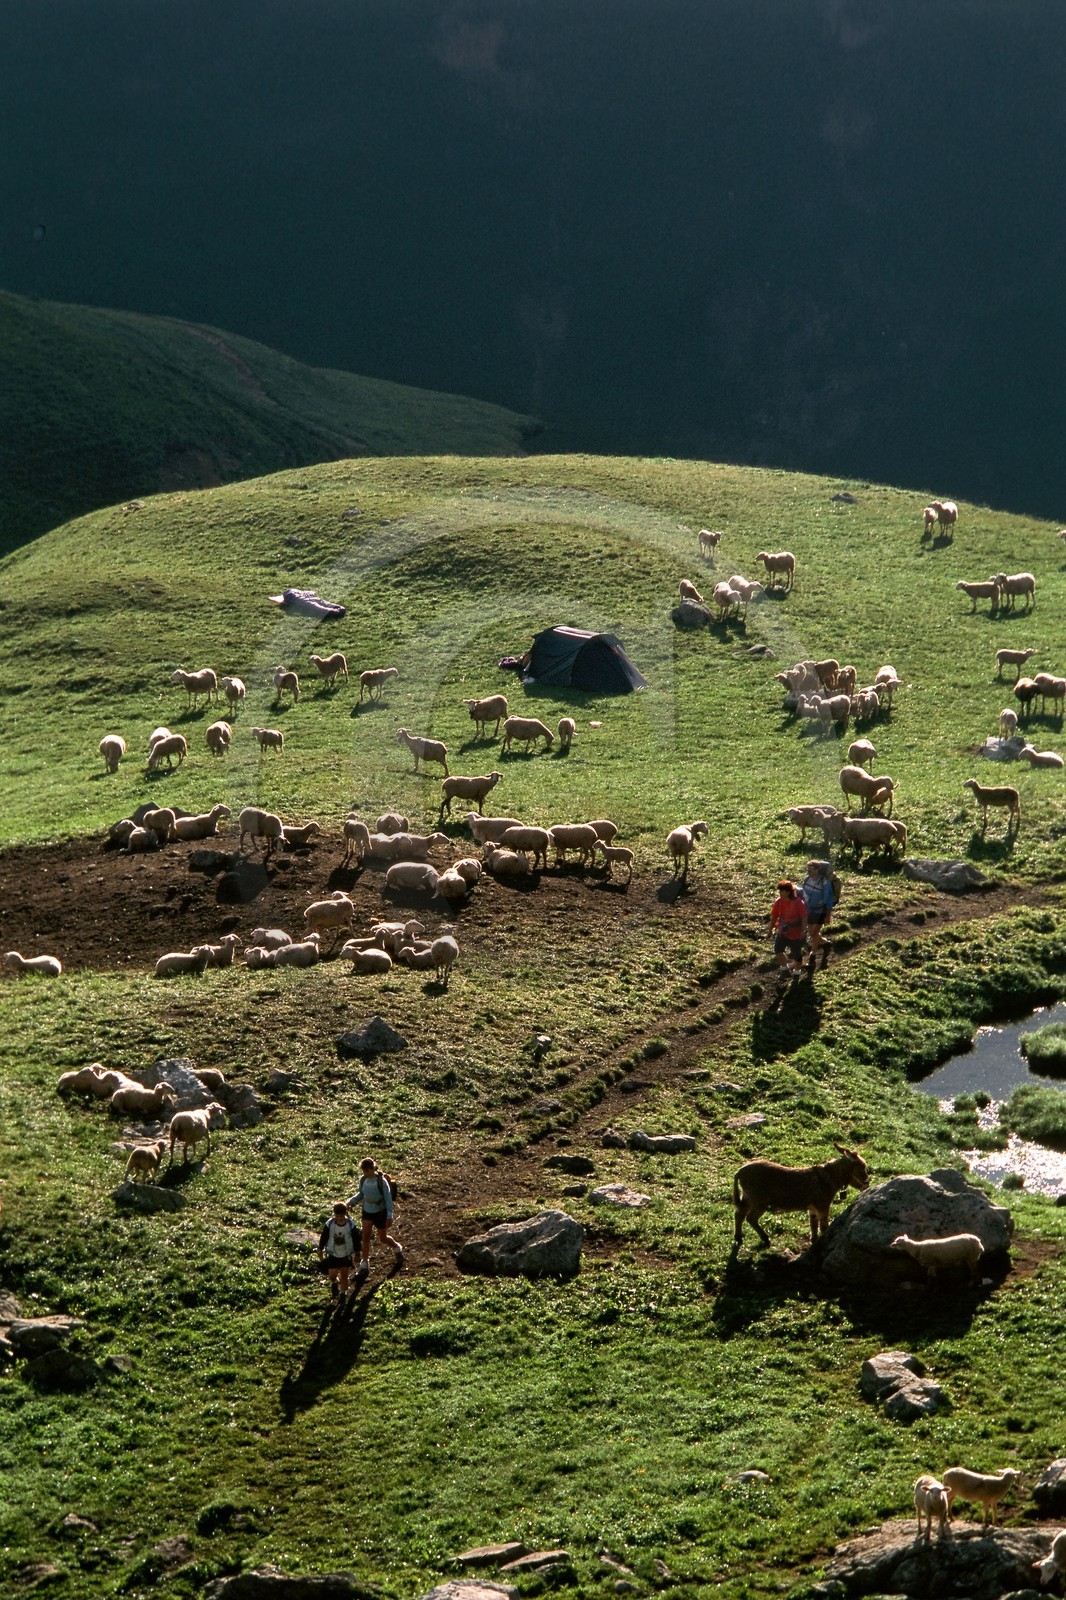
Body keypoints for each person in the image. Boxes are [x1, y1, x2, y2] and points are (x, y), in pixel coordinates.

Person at [347, 1157, 404, 1284]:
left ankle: (397, 1248)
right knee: (365, 1237)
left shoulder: (381, 1181)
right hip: (367, 1211)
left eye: (369, 1170)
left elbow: (388, 1199)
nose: (367, 1173)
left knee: (382, 1238)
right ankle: (364, 1264)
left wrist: (389, 1216)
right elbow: (361, 1194)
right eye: (364, 1171)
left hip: (380, 1212)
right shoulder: (363, 1180)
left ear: (374, 1168)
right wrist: (351, 1202)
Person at [318, 1201, 358, 1301]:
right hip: (333, 1253)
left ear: (345, 1214)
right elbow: (324, 1237)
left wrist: (357, 1252)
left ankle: (343, 1293)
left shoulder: (350, 1224)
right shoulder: (330, 1224)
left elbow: (356, 1239)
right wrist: (320, 1248)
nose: (339, 1218)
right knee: (332, 1275)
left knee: (344, 1275)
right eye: (337, 1216)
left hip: (345, 1253)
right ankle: (335, 1281)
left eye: (342, 1216)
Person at [799, 859, 835, 968]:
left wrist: (828, 915)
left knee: (814, 933)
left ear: (817, 870)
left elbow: (828, 900)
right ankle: (825, 943)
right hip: (810, 910)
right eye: (807, 870)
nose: (808, 872)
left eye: (810, 870)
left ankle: (812, 957)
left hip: (820, 911)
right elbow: (803, 895)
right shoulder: (807, 880)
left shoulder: (825, 882)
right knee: (811, 932)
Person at [770, 878, 808, 978]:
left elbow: (804, 917)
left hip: (796, 932)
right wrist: (770, 929)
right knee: (778, 950)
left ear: (787, 892)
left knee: (796, 953)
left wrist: (804, 931)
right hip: (783, 931)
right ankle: (784, 969)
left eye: (781, 891)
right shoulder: (778, 902)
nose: (780, 893)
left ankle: (797, 972)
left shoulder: (798, 902)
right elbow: (774, 916)